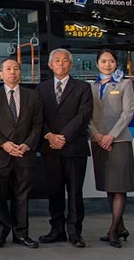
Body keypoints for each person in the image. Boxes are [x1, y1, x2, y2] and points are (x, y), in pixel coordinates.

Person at [0, 58, 43, 249]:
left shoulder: (32, 96)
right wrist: (4, 144)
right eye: (8, 69)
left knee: (22, 197)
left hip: (24, 154)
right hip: (0, 154)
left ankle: (21, 234)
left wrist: (27, 145)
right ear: (1, 74)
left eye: (16, 68)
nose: (12, 72)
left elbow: (38, 124)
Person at [36, 48, 93, 248]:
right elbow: (36, 116)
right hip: (50, 147)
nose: (61, 63)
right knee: (55, 191)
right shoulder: (41, 88)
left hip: (74, 147)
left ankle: (75, 232)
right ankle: (56, 230)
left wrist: (64, 137)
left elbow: (84, 115)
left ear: (71, 64)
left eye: (65, 60)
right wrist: (50, 136)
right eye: (57, 60)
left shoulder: (83, 87)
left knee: (75, 192)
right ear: (50, 65)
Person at [89, 49, 134, 248]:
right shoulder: (90, 87)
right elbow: (86, 115)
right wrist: (97, 135)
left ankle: (113, 230)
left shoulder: (124, 84)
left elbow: (128, 113)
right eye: (103, 61)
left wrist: (111, 136)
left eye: (111, 61)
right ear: (97, 64)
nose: (107, 64)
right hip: (98, 141)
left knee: (120, 186)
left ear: (116, 63)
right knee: (109, 186)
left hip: (119, 141)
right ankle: (121, 227)